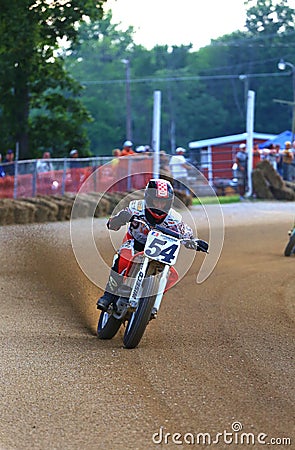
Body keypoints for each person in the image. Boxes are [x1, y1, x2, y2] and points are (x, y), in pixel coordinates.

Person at [96, 178, 208, 314]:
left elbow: (186, 233)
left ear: (169, 203)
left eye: (163, 202)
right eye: (156, 201)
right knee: (124, 256)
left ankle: (150, 303)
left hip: (159, 252)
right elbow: (112, 224)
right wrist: (120, 218)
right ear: (148, 199)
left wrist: (194, 242)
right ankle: (108, 295)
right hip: (135, 243)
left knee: (172, 275)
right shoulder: (135, 208)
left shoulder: (174, 218)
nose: (159, 206)